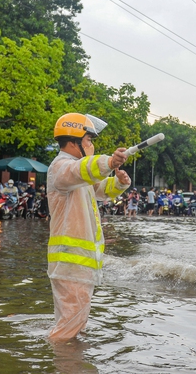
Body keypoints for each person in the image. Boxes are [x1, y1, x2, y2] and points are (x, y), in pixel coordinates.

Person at [47, 112, 130, 341]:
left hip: (77, 265)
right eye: (89, 141)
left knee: (74, 325)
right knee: (68, 329)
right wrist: (109, 162)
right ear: (74, 142)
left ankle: (65, 361)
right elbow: (81, 170)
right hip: (70, 264)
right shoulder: (62, 167)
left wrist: (119, 182)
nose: (91, 146)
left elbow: (98, 189)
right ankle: (64, 362)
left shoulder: (77, 172)